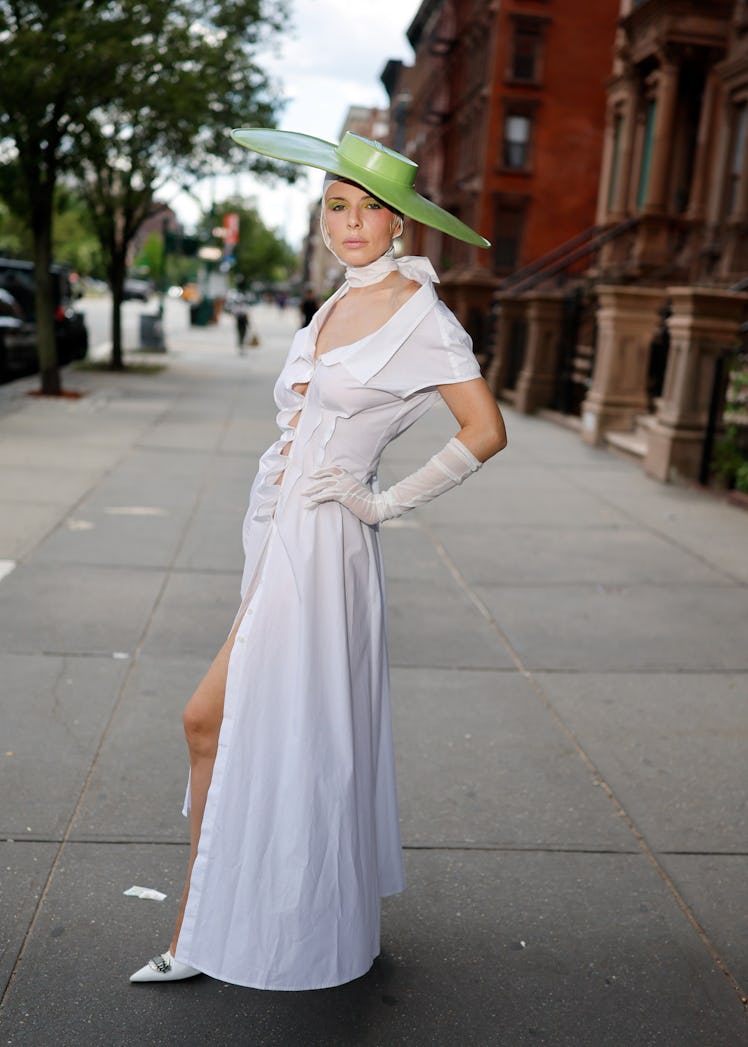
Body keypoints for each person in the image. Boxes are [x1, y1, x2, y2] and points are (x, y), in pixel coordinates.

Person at [130, 130, 507, 990]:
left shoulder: (424, 318)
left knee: (209, 721)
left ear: (402, 223)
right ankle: (213, 922)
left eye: (371, 208)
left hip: (324, 548)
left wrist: (382, 503)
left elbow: (486, 431)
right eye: (338, 205)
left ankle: (206, 931)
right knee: (261, 733)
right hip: (277, 537)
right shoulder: (335, 303)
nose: (352, 223)